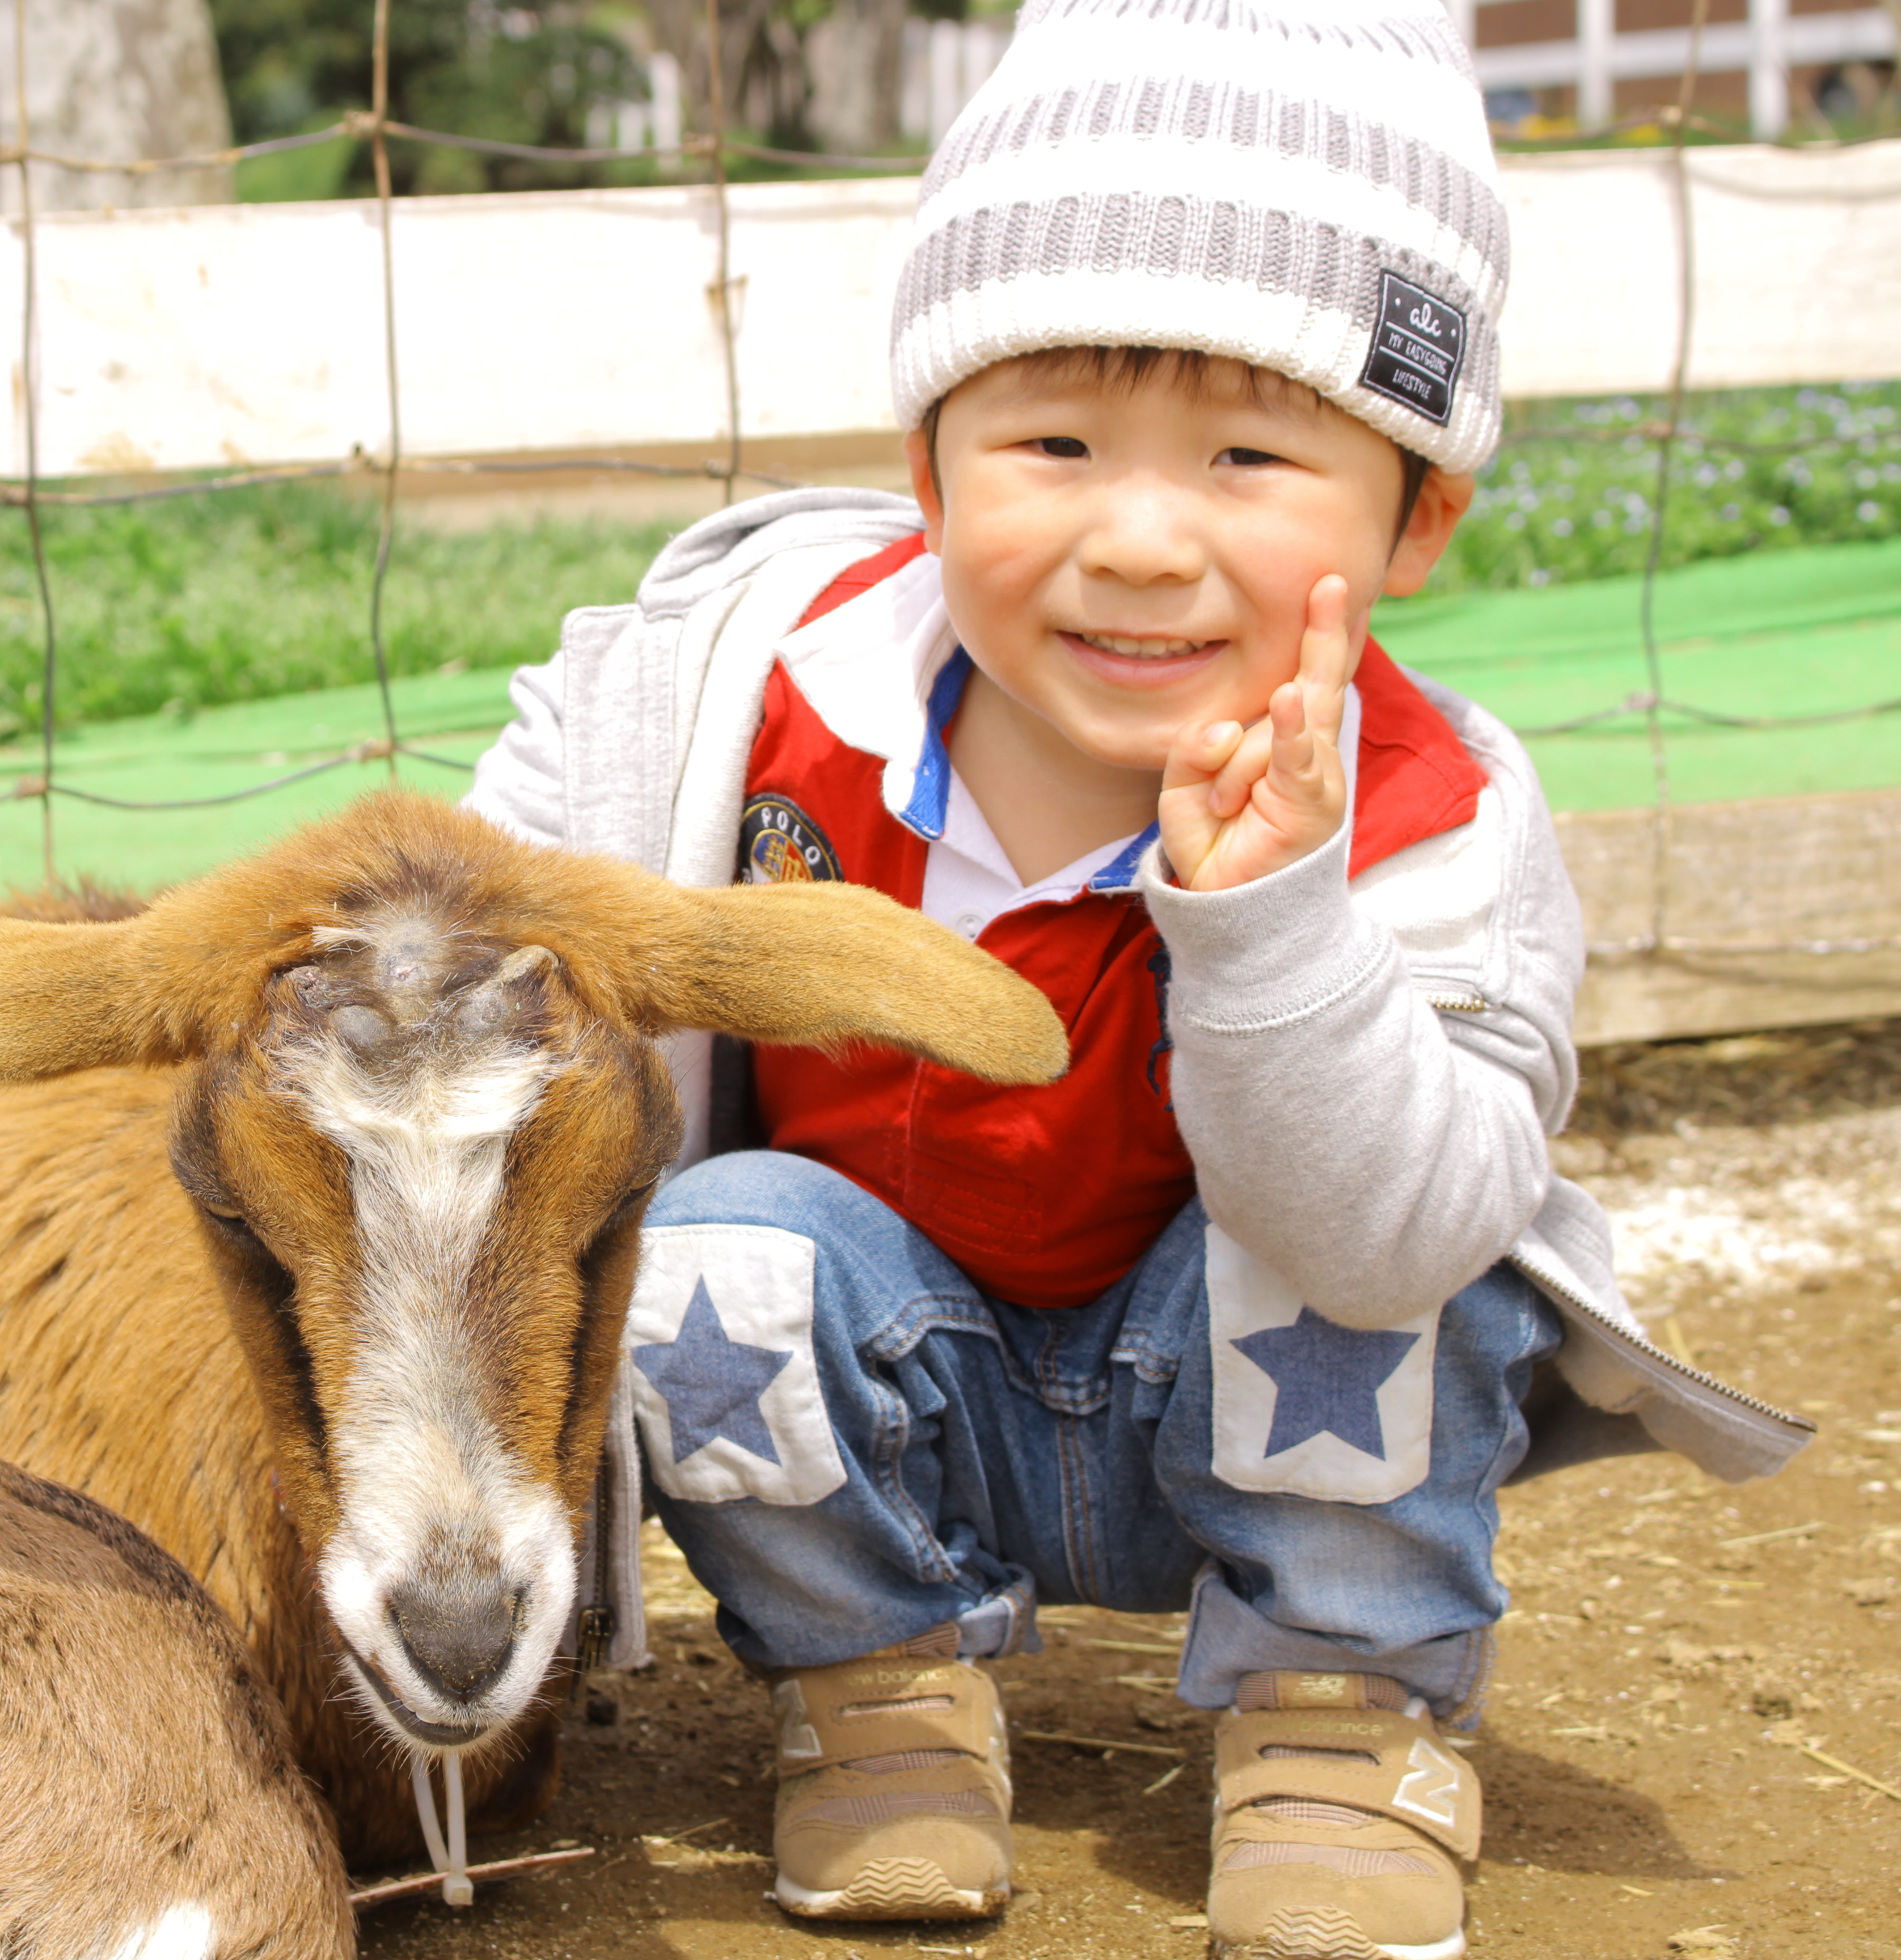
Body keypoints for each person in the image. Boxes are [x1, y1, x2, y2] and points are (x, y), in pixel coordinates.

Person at [461, 3, 1809, 1954]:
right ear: (925, 455)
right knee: (714, 1246)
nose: (1142, 540)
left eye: (1255, 455)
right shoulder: (732, 701)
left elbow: (1399, 1234)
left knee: (1420, 1260)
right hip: (902, 1378)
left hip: (1280, 1386)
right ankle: (879, 1693)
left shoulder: (1435, 815)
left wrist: (1272, 925)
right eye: (1055, 441)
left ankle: (1343, 1713)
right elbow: (481, 922)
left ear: (1414, 513)